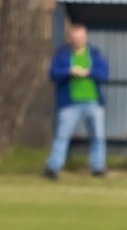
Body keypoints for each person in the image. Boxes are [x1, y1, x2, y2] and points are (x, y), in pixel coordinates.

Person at [45, 24, 110, 179]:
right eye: (75, 38)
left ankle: (98, 167)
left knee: (98, 136)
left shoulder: (94, 54)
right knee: (62, 135)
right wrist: (69, 71)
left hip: (93, 102)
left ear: (85, 37)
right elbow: (53, 74)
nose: (78, 40)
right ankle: (53, 167)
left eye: (81, 37)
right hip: (69, 103)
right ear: (70, 38)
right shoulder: (62, 55)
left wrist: (89, 72)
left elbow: (104, 74)